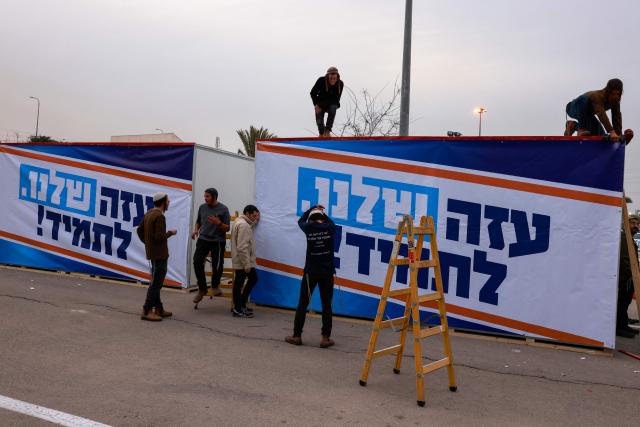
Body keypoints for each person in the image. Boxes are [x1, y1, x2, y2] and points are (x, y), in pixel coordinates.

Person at [285, 205, 337, 348]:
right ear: (322, 219)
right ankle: (325, 338)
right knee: (327, 305)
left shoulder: (308, 228)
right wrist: (322, 213)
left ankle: (297, 336)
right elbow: (331, 222)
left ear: (311, 220)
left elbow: (300, 220)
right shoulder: (330, 228)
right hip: (327, 273)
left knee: (303, 303)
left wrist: (311, 209)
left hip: (311, 272)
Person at [136, 192, 177, 322]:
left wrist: (148, 244)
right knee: (156, 283)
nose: (169, 202)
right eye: (168, 200)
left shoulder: (149, 213)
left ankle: (158, 308)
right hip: (160, 254)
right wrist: (171, 232)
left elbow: (139, 230)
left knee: (156, 281)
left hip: (153, 253)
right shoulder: (159, 216)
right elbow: (159, 237)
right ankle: (147, 310)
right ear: (163, 202)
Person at [564, 78, 634, 144]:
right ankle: (581, 129)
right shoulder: (598, 96)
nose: (615, 97)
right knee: (583, 99)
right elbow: (601, 114)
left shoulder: (615, 101)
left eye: (617, 94)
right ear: (608, 92)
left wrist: (618, 136)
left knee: (601, 135)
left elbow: (616, 117)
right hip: (573, 108)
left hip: (587, 115)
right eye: (612, 94)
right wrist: (611, 131)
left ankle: (573, 125)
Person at [191, 188, 231, 304]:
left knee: (217, 266)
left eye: (207, 196)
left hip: (217, 241)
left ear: (214, 197)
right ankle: (202, 289)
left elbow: (227, 228)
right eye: (205, 196)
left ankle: (215, 286)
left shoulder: (223, 209)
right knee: (197, 262)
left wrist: (218, 223)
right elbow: (198, 221)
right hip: (203, 239)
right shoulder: (202, 207)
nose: (205, 198)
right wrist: (195, 230)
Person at [230, 205, 260, 318]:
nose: (255, 217)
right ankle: (238, 308)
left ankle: (240, 305)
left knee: (242, 282)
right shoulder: (243, 226)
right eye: (254, 215)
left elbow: (248, 229)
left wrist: (255, 221)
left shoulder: (240, 222)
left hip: (240, 260)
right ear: (247, 213)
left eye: (256, 215)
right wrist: (247, 264)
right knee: (243, 282)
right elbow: (242, 247)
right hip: (243, 261)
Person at [617, 214, 639, 338]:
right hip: (626, 279)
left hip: (629, 278)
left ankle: (623, 325)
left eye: (637, 224)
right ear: (626, 224)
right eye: (633, 223)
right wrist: (632, 276)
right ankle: (619, 328)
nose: (636, 226)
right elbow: (625, 260)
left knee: (625, 302)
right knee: (622, 302)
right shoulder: (625, 237)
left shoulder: (629, 238)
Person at [310, 66, 344, 137]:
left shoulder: (340, 84)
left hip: (331, 104)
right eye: (331, 78)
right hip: (320, 103)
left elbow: (337, 99)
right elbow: (313, 93)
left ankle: (328, 130)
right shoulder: (321, 80)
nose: (332, 80)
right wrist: (316, 105)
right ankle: (322, 133)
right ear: (327, 76)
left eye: (334, 78)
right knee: (320, 122)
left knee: (333, 107)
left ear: (337, 77)